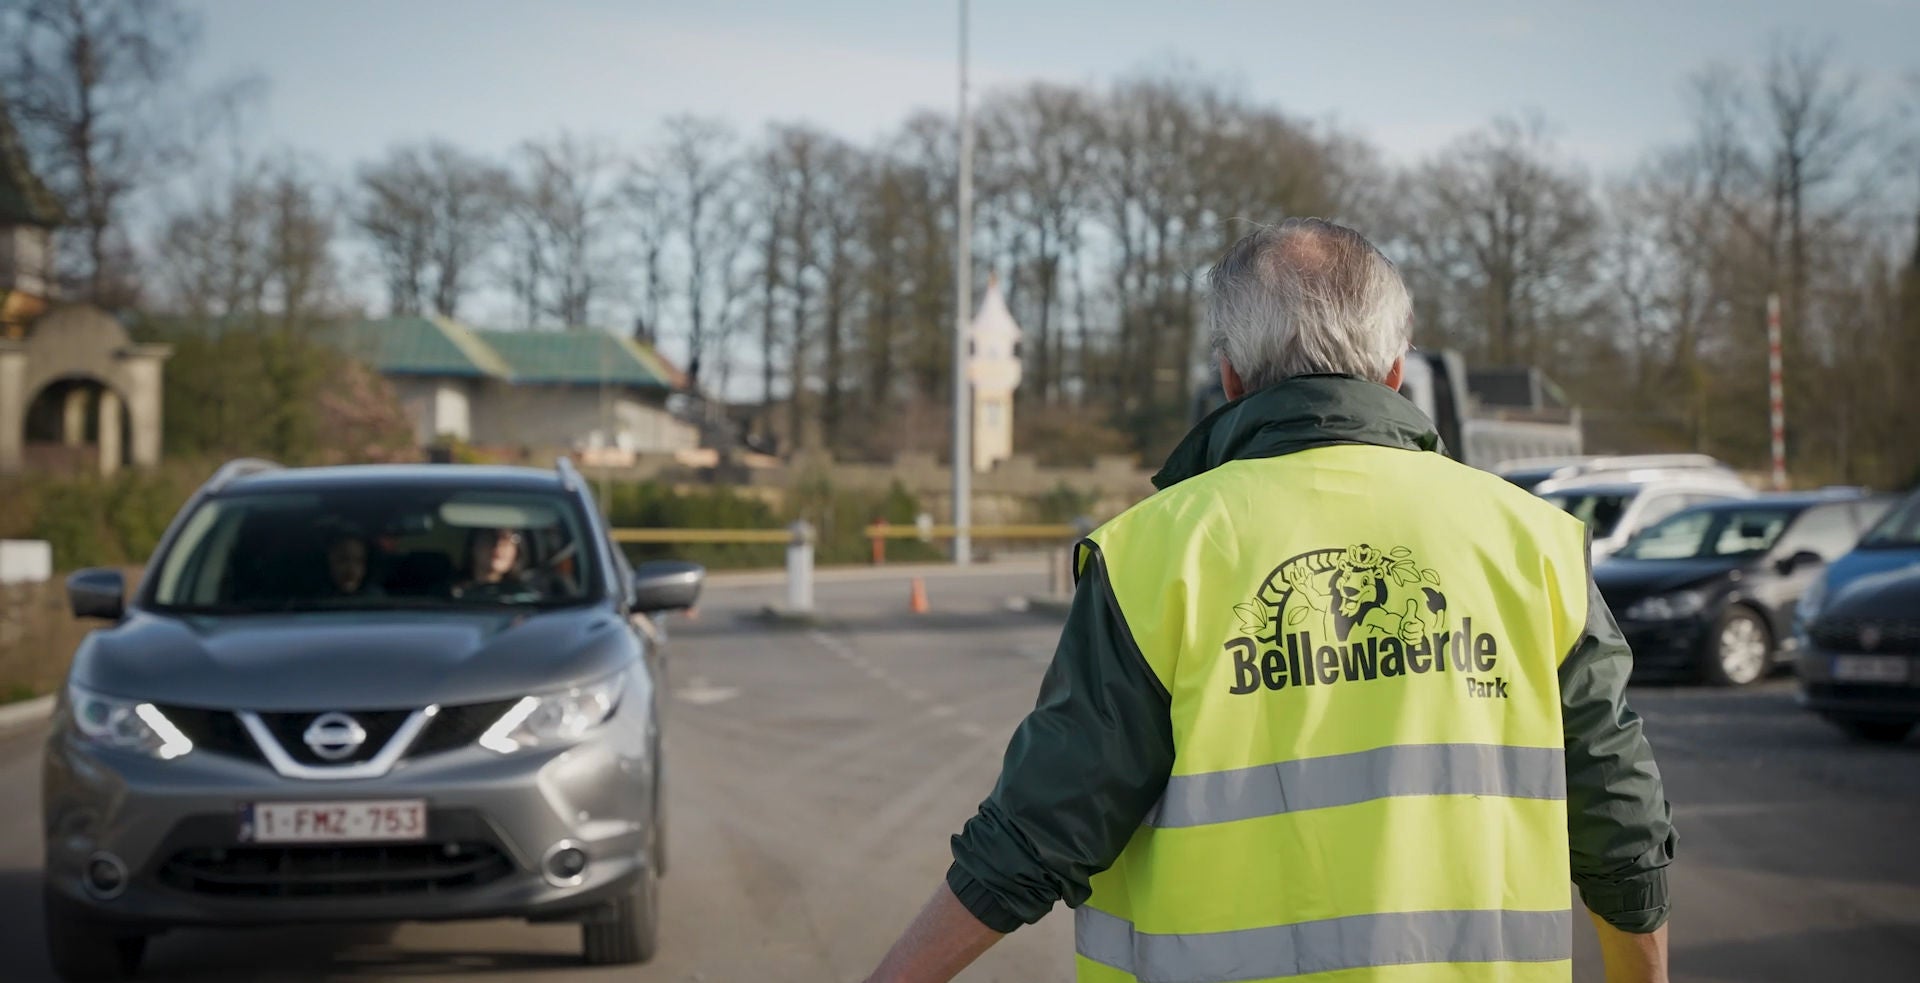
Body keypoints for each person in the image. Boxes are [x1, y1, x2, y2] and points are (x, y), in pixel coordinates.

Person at [863, 219, 1675, 983]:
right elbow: (1620, 815)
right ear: (1395, 370)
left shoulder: (1155, 553)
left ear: (1230, 376)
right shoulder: (1532, 544)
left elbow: (1038, 830)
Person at [322, 532, 381, 597]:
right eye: (343, 560)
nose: (351, 568)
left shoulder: (377, 600)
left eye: (358, 561)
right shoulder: (316, 599)